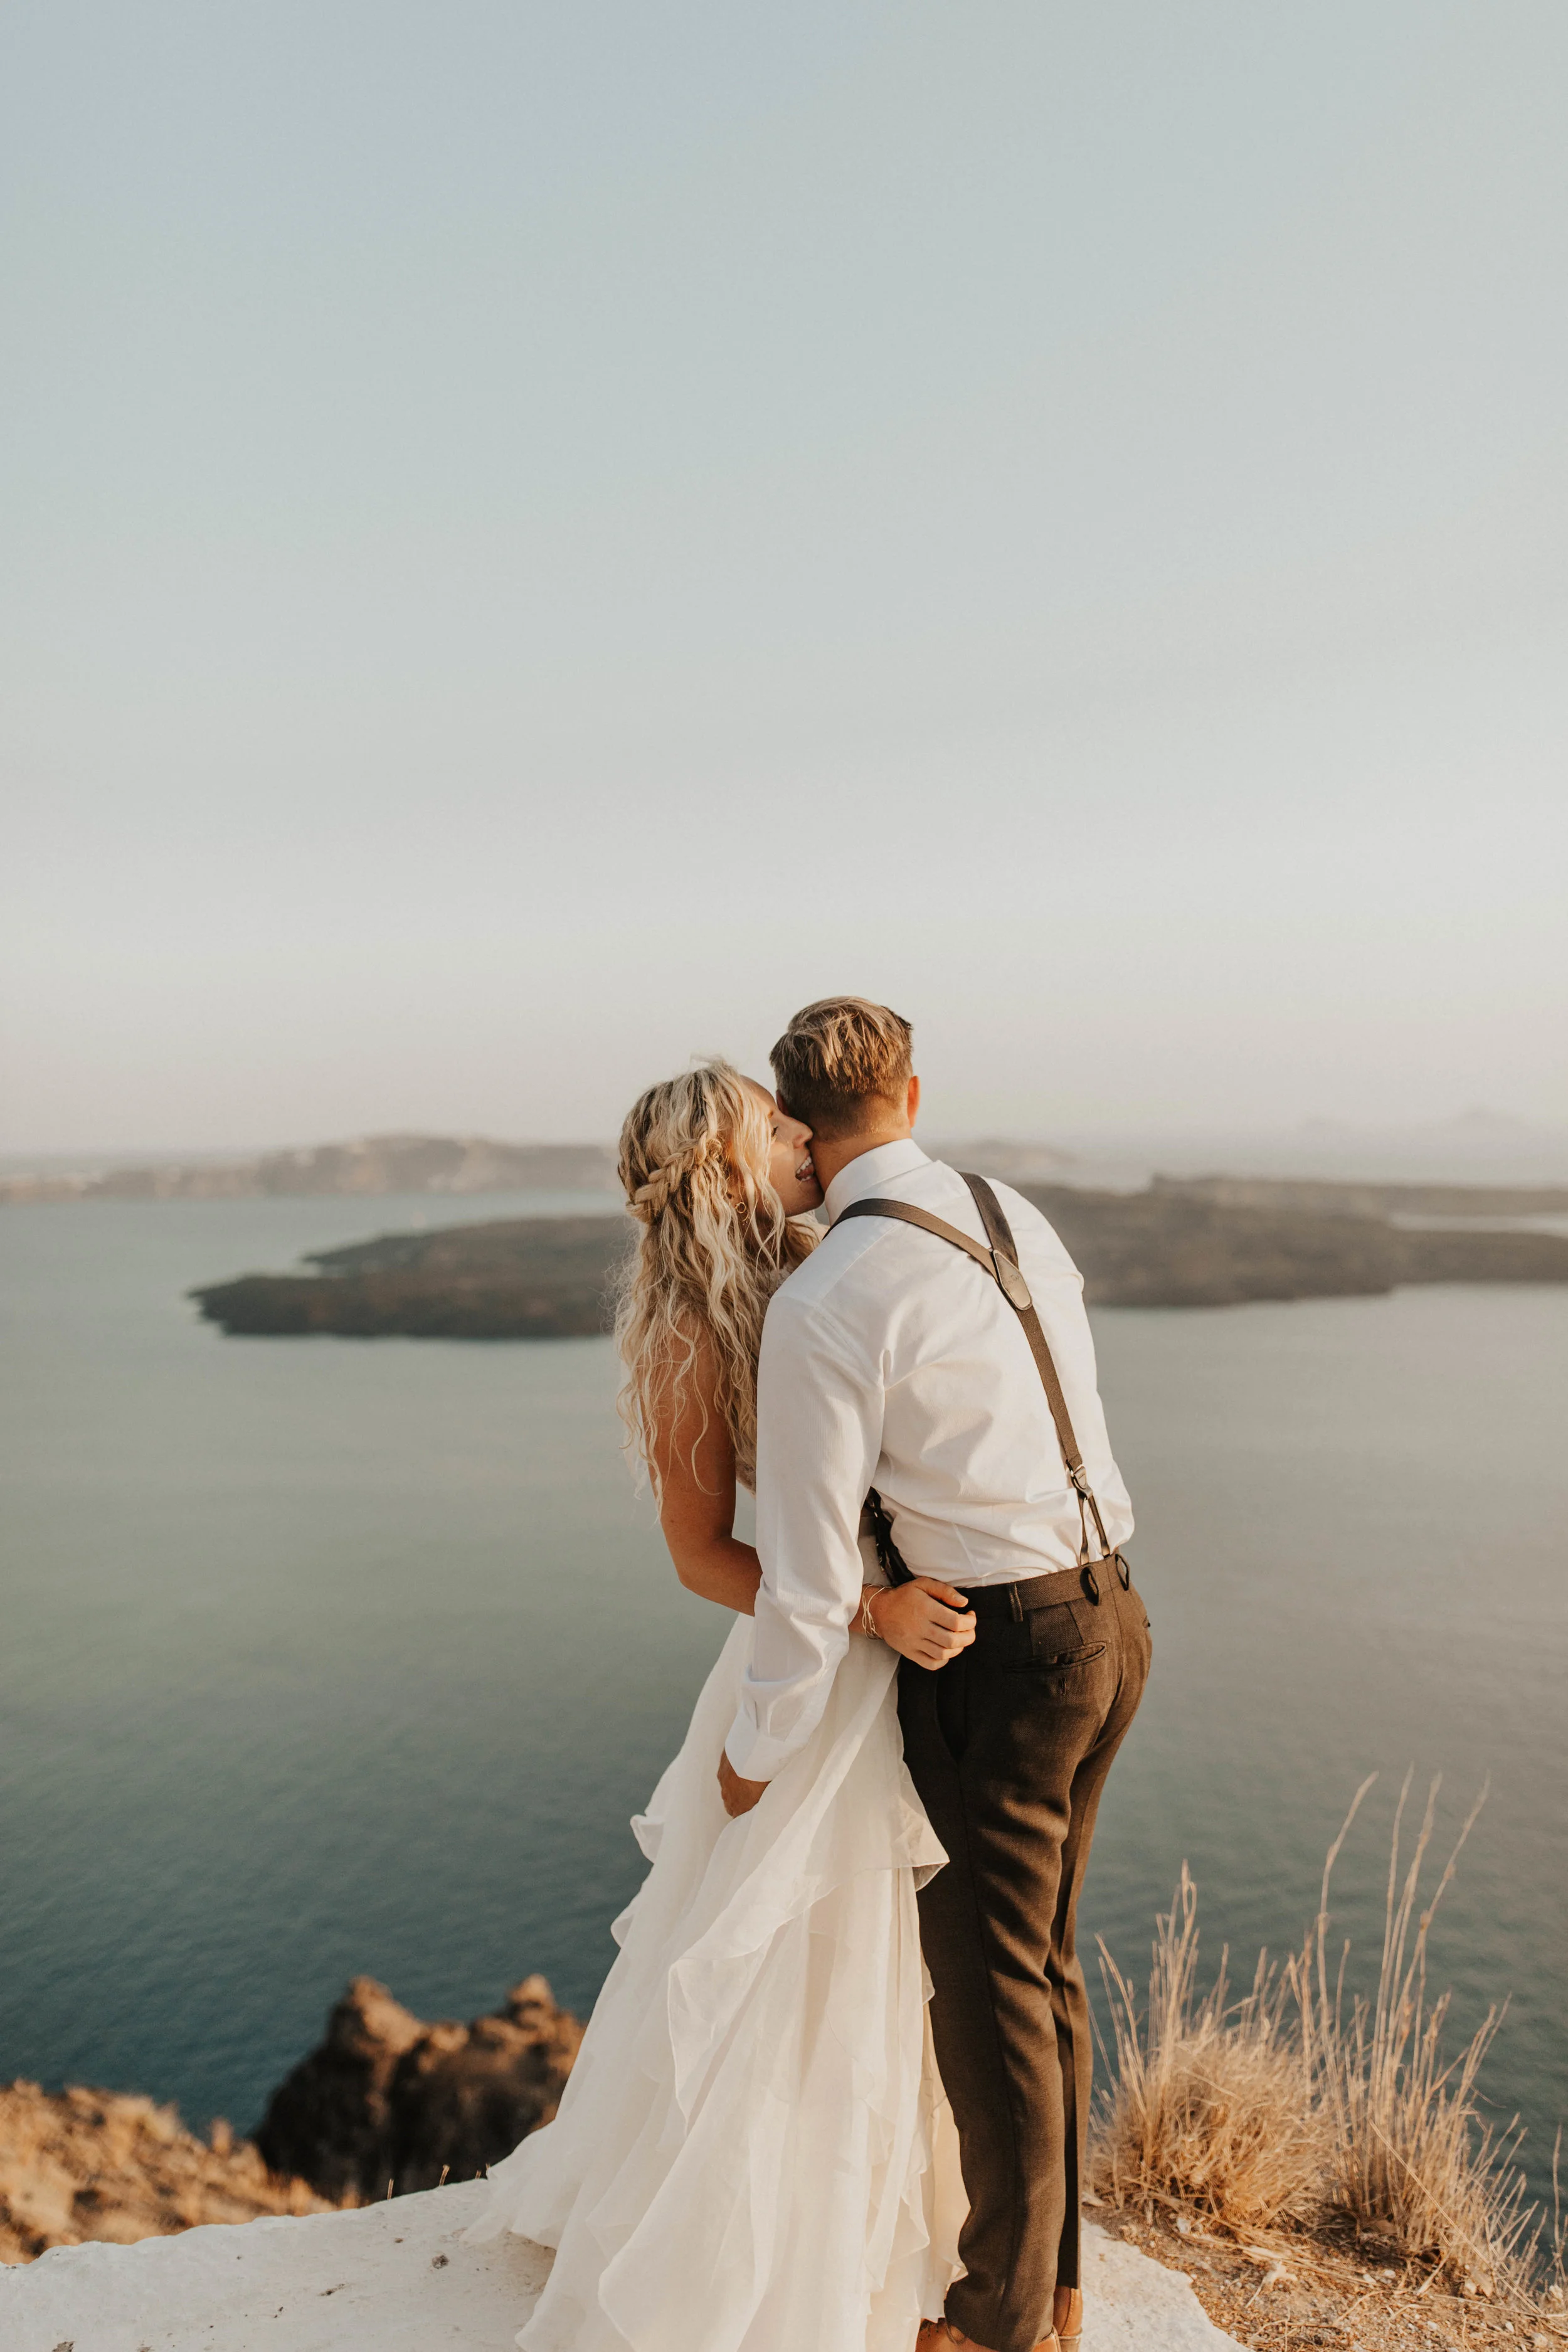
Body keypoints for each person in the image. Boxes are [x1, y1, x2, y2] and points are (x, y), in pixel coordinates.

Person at [464, 1057, 977, 2351]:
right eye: (772, 1124)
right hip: (819, 1662)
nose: (801, 1136)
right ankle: (769, 2261)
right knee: (799, 1953)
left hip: (900, 1647)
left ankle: (891, 2227)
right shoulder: (692, 1325)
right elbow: (699, 1554)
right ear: (719, 1163)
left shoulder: (835, 1261)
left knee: (894, 1958)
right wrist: (864, 1612)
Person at [725, 999, 1150, 2352]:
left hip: (998, 1654)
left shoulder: (825, 1296)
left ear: (793, 1124)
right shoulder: (1011, 1210)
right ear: (911, 1092)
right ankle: (1056, 2291)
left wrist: (756, 1753)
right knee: (1042, 1967)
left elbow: (798, 1579)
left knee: (986, 1987)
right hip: (1112, 1615)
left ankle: (993, 2327)